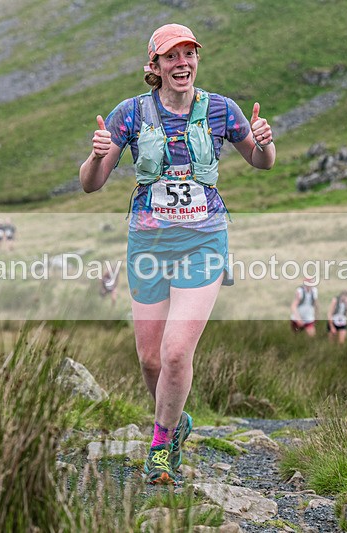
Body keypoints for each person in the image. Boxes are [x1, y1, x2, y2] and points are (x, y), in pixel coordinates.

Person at [78, 23, 275, 485]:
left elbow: (261, 162)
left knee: (175, 352)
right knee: (150, 360)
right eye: (171, 56)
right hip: (148, 243)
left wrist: (266, 143)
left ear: (196, 61)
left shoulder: (221, 110)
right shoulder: (130, 113)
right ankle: (174, 421)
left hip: (204, 240)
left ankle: (162, 447)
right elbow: (92, 183)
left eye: (189, 54)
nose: (182, 63)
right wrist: (96, 155)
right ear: (155, 66)